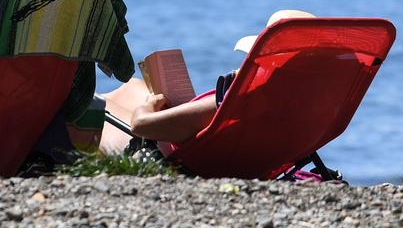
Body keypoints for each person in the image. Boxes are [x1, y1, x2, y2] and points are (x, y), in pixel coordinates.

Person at [96, 10, 315, 154]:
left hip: (181, 149)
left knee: (98, 104)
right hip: (235, 144)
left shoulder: (249, 96)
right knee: (133, 85)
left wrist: (147, 108)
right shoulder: (306, 101)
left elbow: (141, 125)